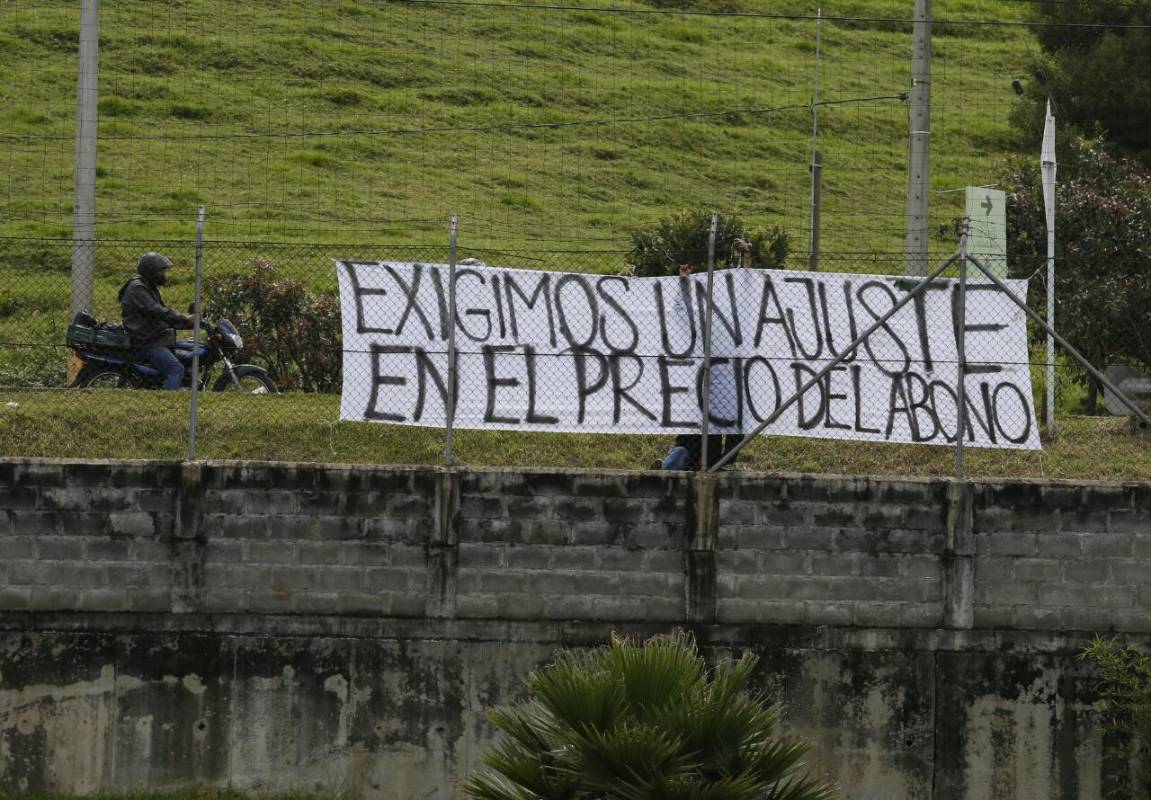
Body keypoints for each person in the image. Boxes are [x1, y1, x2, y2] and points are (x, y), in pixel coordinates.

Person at [653, 239, 754, 471]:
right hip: (704, 394)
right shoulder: (703, 329)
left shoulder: (738, 325)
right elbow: (681, 311)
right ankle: (673, 467)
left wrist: (747, 256)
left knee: (725, 433)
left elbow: (747, 289)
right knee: (689, 442)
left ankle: (699, 465)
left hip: (726, 395)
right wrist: (684, 282)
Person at [118, 252, 195, 390]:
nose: (164, 274)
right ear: (151, 271)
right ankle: (168, 402)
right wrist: (184, 319)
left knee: (189, 350)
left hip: (153, 336)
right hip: (145, 341)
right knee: (175, 369)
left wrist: (188, 323)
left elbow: (161, 315)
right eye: (162, 271)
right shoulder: (137, 288)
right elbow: (157, 311)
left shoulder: (148, 286)